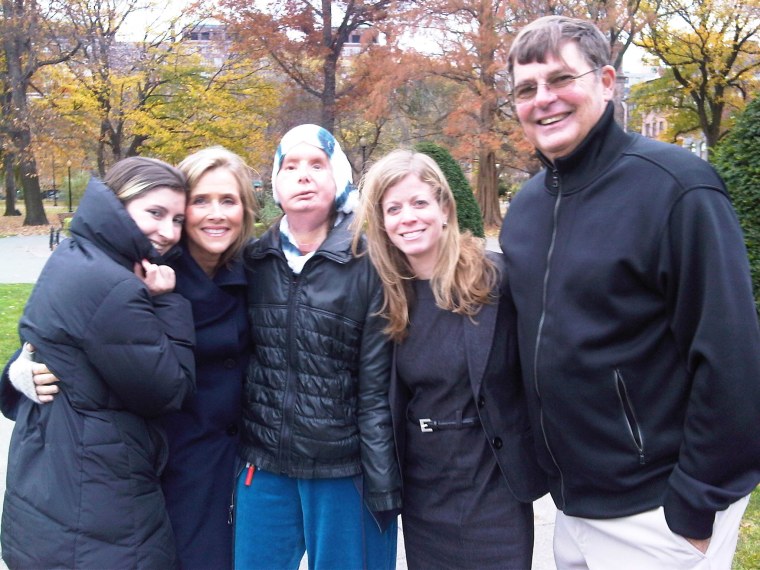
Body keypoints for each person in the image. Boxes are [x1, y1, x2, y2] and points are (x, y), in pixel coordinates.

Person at [499, 15, 760, 569]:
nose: (543, 99)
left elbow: (732, 359)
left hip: (658, 513)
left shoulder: (676, 187)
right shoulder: (525, 209)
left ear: (607, 81)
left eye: (561, 79)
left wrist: (695, 504)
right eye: (526, 89)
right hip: (573, 509)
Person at [3, 147, 257, 570]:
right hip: (155, 465)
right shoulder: (141, 269)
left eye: (229, 201)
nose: (216, 214)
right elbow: (61, 330)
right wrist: (18, 371)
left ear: (246, 210)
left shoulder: (255, 270)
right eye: (200, 201)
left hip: (227, 468)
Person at [354, 149, 546, 568]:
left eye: (419, 202)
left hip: (494, 484)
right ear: (382, 224)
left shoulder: (496, 279)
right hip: (427, 491)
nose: (408, 217)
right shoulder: (385, 298)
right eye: (394, 208)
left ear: (444, 207)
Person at [234, 124, 401, 570]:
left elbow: (375, 389)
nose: (303, 175)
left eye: (317, 164)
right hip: (264, 466)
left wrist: (383, 485)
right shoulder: (252, 261)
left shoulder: (370, 263)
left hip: (342, 472)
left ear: (339, 177)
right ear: (276, 182)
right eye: (291, 166)